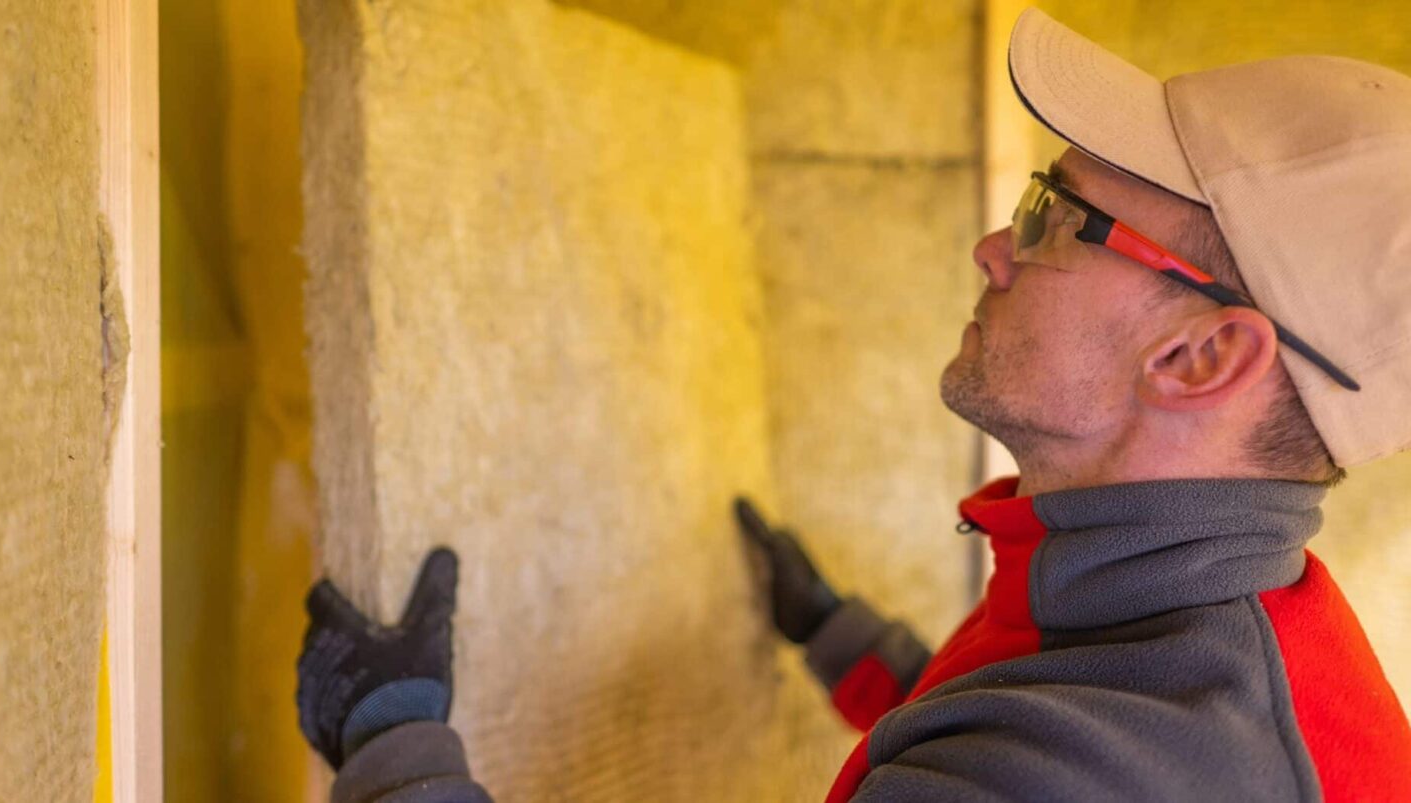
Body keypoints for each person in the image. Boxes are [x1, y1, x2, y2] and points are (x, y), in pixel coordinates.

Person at [294, 9, 1411, 801]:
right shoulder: (1210, 638)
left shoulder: (1071, 769)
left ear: (1203, 353)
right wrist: (845, 641)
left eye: (1051, 218)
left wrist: (394, 750)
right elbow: (1033, 710)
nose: (990, 248)